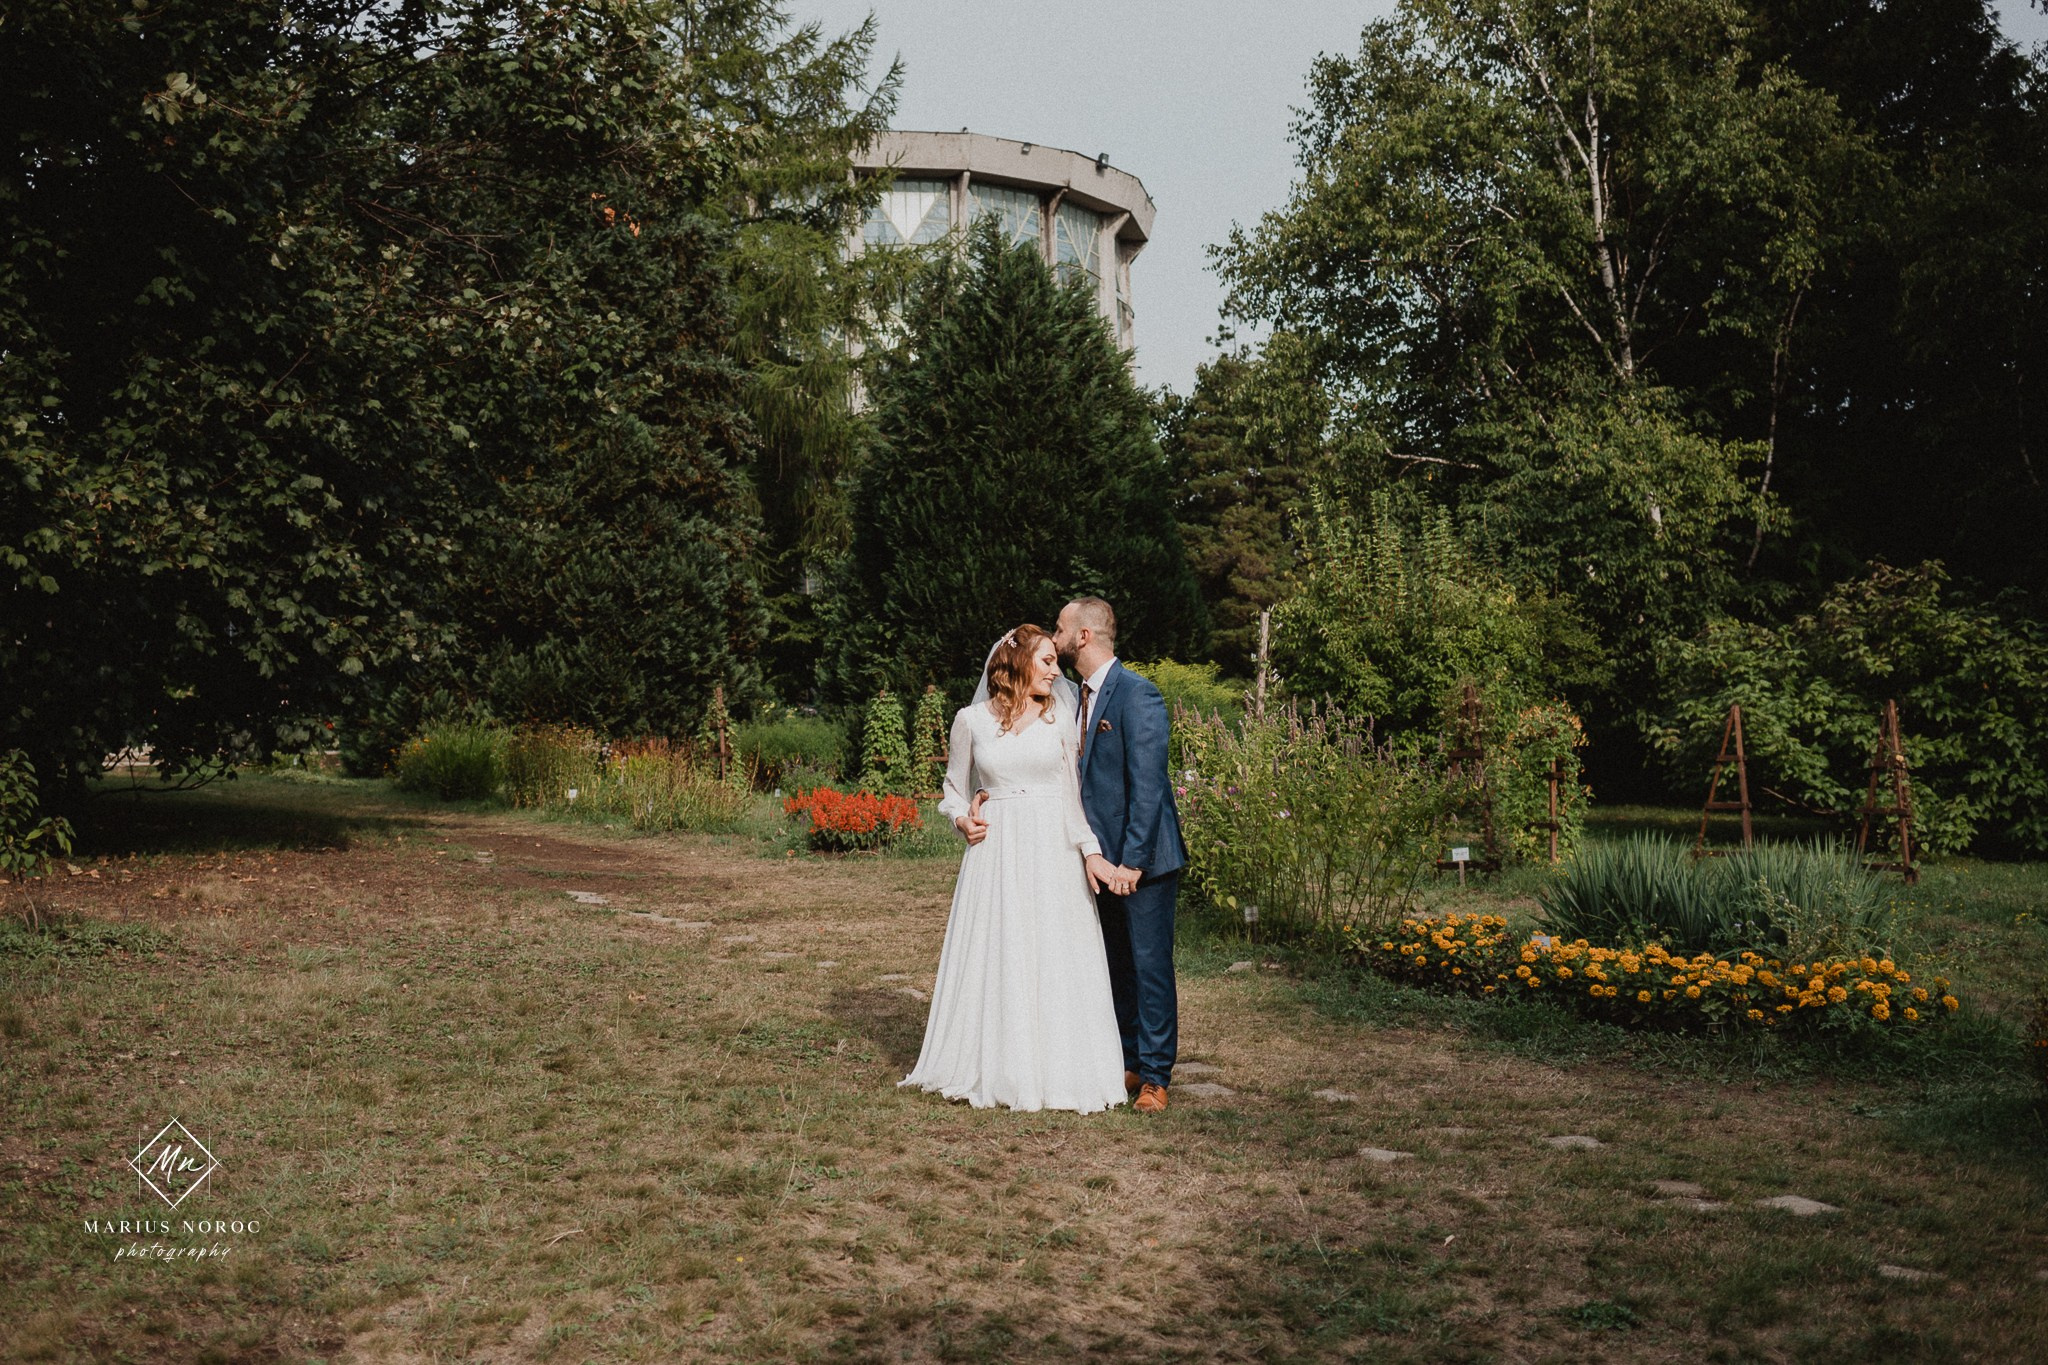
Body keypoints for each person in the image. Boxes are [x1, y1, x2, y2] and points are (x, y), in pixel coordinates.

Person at [898, 625, 1128, 1112]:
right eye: (1045, 661)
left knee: (1053, 950)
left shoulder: (1060, 716)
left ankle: (1059, 1067)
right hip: (996, 850)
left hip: (1053, 850)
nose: (1055, 670)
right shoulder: (970, 721)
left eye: (1055, 661)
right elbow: (953, 787)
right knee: (1001, 947)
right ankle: (996, 1061)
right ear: (1017, 662)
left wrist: (1089, 851)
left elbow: (1073, 793)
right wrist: (962, 817)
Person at [1052, 596, 1186, 1114]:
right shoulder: (1073, 697)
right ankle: (1129, 1060)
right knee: (1117, 966)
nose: (1055, 635)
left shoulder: (1137, 695)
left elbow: (1147, 788)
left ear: (1083, 636)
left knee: (1150, 966)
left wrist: (1132, 862)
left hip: (1143, 862)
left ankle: (1156, 1075)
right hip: (1099, 863)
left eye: (1061, 627)